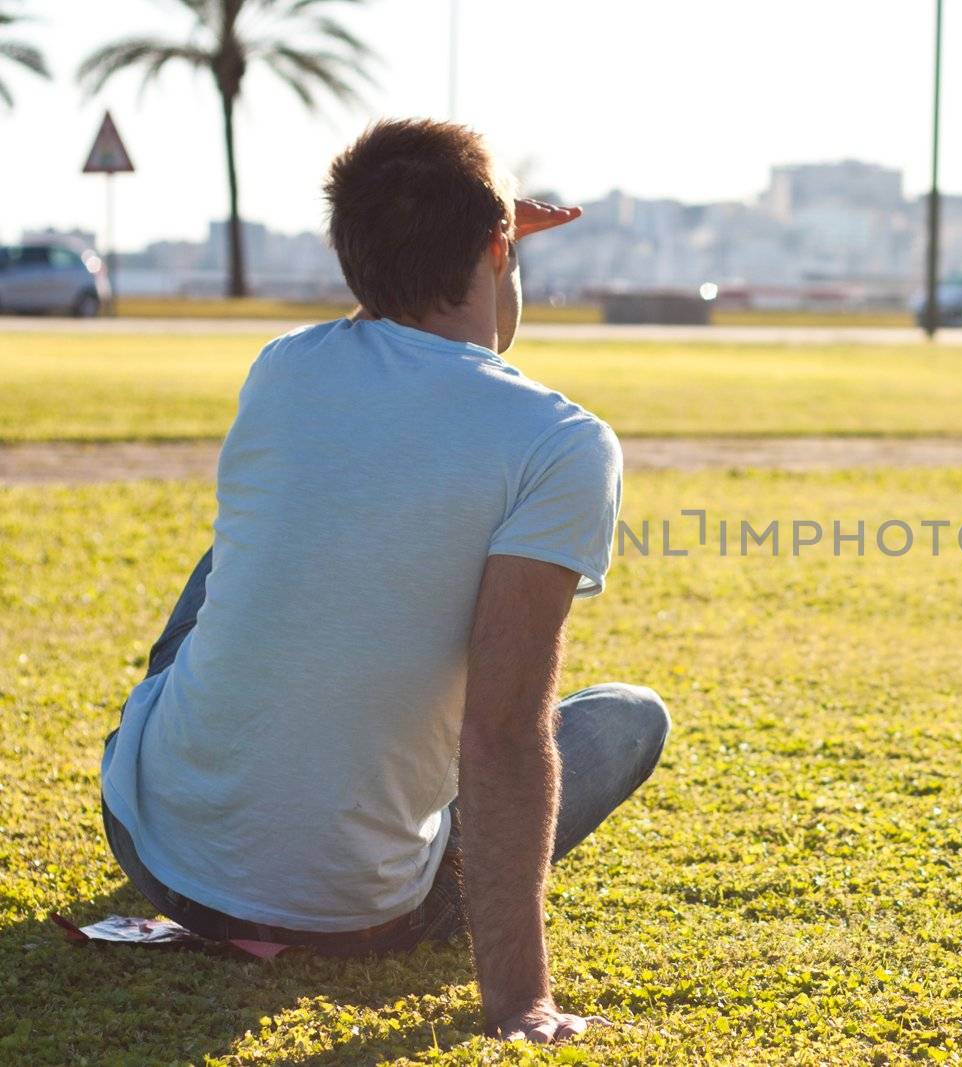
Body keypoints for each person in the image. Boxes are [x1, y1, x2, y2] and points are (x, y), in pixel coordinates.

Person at [98, 119, 669, 1046]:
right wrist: (519, 1003)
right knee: (633, 715)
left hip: (158, 851)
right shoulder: (562, 443)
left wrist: (440, 238)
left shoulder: (283, 369)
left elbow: (396, 328)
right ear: (499, 246)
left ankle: (231, 811)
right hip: (364, 911)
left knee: (232, 561)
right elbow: (503, 730)